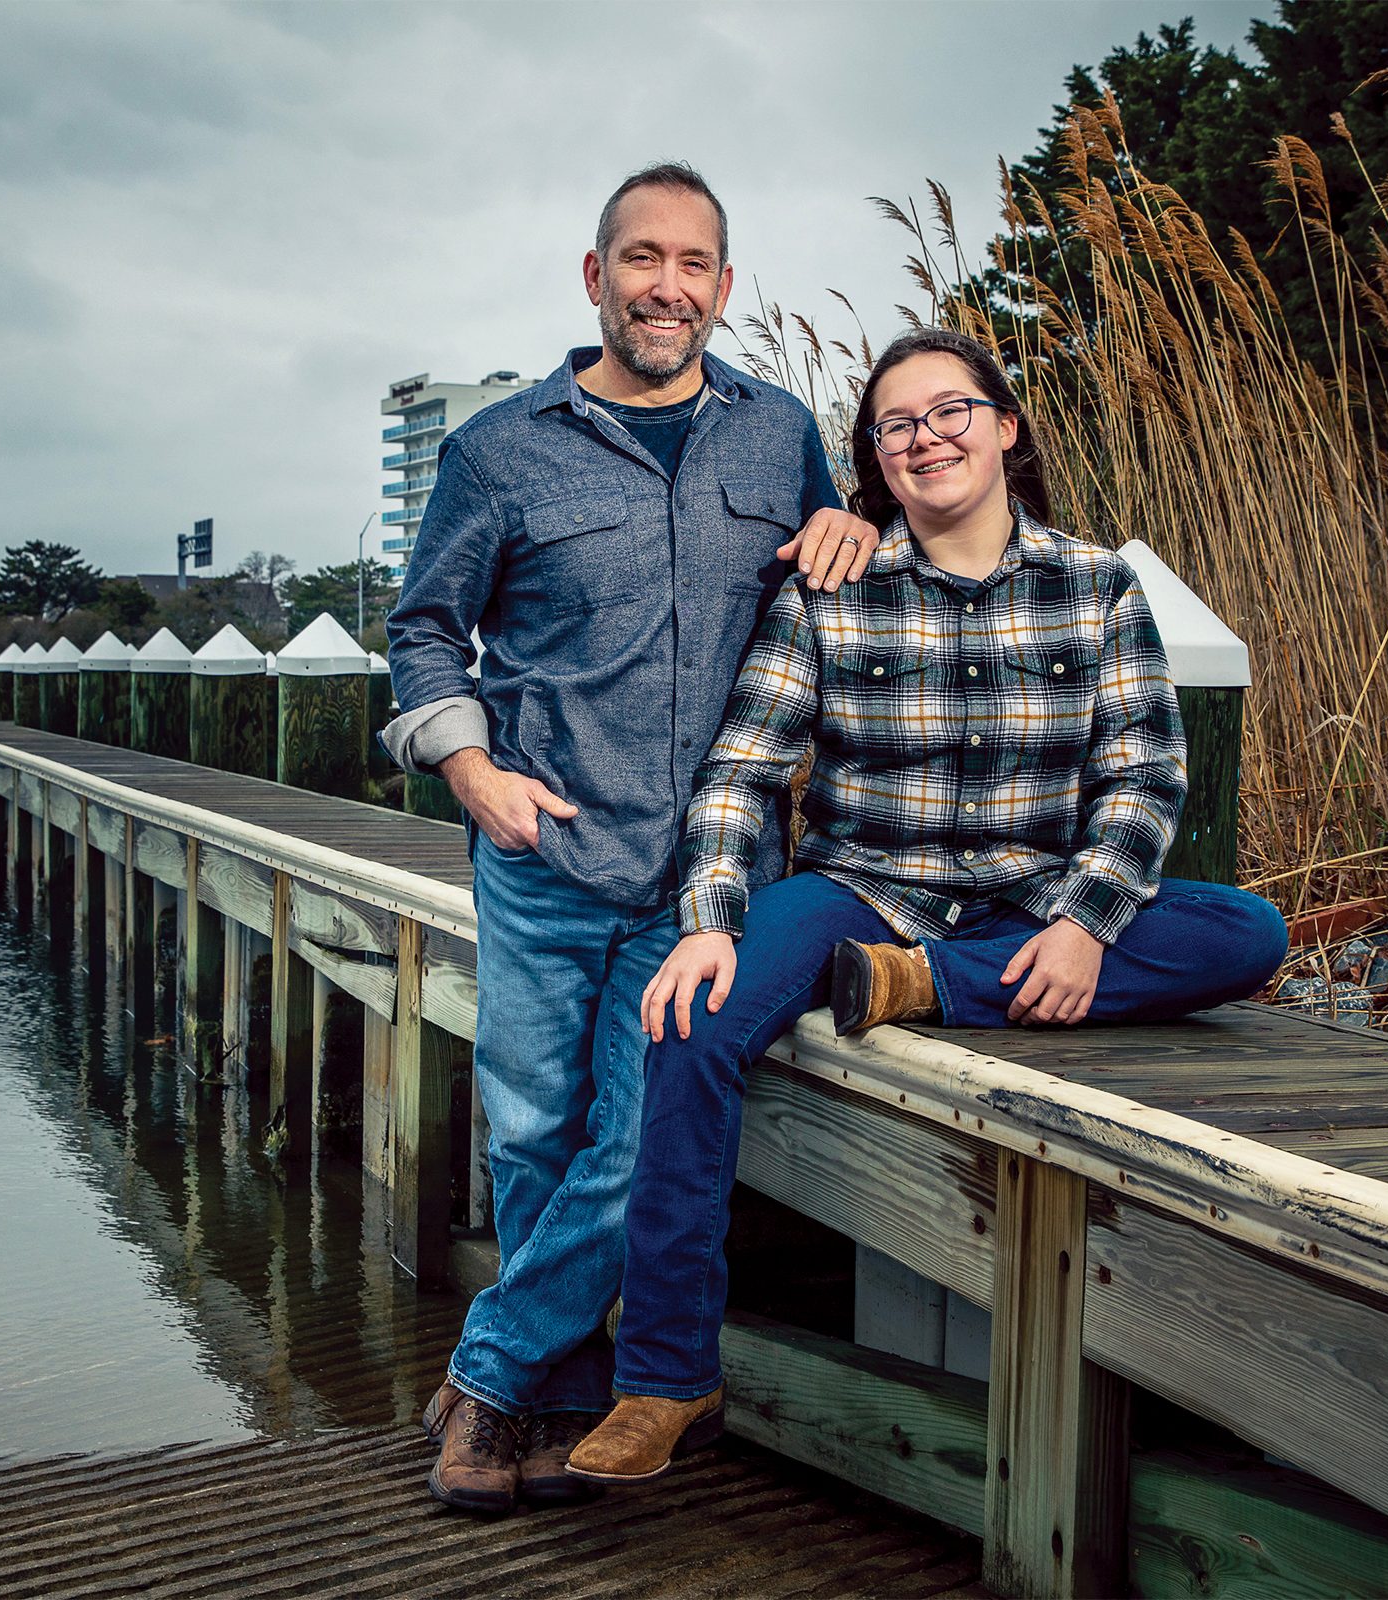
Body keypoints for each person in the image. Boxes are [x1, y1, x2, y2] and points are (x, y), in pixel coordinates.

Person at [565, 327, 1290, 1483]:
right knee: (689, 1023)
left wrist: (1085, 920)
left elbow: (1145, 778)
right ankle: (664, 1376)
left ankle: (931, 990)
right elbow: (744, 770)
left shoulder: (1095, 586)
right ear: (876, 458)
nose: (924, 439)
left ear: (1005, 428)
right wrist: (707, 918)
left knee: (1251, 932)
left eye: (949, 412)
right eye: (895, 426)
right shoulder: (830, 590)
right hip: (859, 895)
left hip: (1031, 901)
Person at [383, 161, 879, 1514]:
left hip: (708, 878)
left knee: (642, 1136)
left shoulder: (779, 434)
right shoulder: (499, 447)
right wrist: (470, 767)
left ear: (724, 285)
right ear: (595, 277)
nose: (669, 285)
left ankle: (484, 1377)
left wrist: (851, 519)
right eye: (641, 258)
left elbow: (837, 570)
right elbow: (424, 628)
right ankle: (553, 1399)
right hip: (542, 854)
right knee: (538, 1137)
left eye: (695, 263)